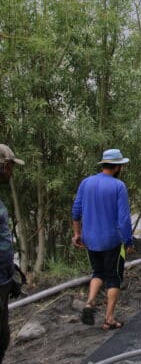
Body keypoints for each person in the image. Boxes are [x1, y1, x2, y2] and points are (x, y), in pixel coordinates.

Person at [72, 148, 134, 331]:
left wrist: (77, 234)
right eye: (121, 165)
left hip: (90, 239)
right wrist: (128, 241)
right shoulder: (118, 186)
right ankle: (109, 319)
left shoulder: (86, 183)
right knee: (114, 278)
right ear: (116, 167)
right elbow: (123, 219)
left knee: (97, 272)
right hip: (112, 241)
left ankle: (90, 303)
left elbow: (76, 210)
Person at [0, 144, 24, 361]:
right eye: (10, 167)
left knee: (2, 337)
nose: (12, 172)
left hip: (3, 279)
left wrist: (9, 277)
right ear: (4, 166)